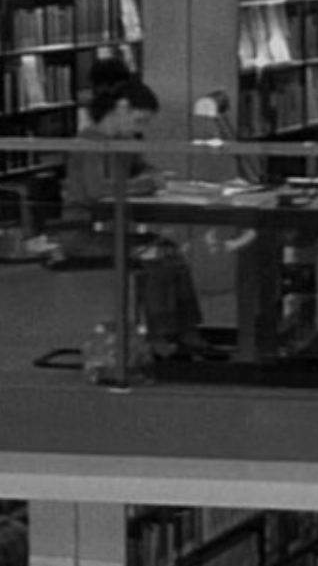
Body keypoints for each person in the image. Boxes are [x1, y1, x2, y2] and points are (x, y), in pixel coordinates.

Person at [62, 79, 210, 357]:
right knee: (155, 255)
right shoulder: (89, 143)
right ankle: (159, 335)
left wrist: (153, 175)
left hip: (105, 228)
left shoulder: (122, 142)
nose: (140, 129)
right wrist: (144, 184)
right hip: (81, 232)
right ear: (121, 108)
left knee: (169, 250)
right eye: (139, 120)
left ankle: (186, 329)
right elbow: (97, 191)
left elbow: (144, 169)